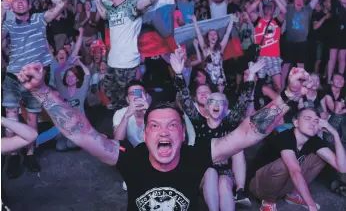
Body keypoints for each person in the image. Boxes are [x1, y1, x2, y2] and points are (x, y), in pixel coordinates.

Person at [16, 61, 313, 211]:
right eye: (155, 126)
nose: (164, 131)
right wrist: (41, 90)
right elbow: (80, 132)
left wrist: (289, 95)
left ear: (183, 134)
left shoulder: (197, 155)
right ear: (145, 134)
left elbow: (248, 132)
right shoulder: (129, 158)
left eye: (172, 125)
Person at [171, 52, 264, 210]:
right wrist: (179, 74)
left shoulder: (229, 123)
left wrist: (251, 76)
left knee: (224, 185)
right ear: (206, 107)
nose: (216, 105)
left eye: (220, 102)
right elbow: (186, 100)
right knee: (211, 173)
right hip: (202, 171)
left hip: (224, 171)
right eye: (211, 101)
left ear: (225, 107)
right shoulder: (198, 121)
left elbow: (242, 102)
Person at [1, 0, 65, 177]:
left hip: (35, 77)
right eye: (16, 0)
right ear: (11, 6)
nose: (19, 2)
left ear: (29, 4)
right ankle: (12, 155)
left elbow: (60, 4)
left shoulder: (39, 19)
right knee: (11, 116)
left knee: (32, 117)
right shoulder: (8, 23)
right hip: (13, 77)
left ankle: (29, 154)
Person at [89, 0, 170, 111]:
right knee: (113, 99)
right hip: (112, 63)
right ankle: (122, 124)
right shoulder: (112, 8)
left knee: (132, 103)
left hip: (128, 65)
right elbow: (102, 14)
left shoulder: (131, 6)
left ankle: (138, 123)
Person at [249, 108, 346, 211]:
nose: (313, 123)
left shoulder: (314, 140)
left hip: (281, 186)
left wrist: (335, 134)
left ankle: (293, 195)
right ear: (296, 122)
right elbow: (295, 172)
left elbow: (342, 168)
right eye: (307, 118)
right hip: (259, 186)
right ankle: (268, 203)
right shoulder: (285, 137)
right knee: (285, 164)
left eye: (316, 120)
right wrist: (312, 206)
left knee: (320, 158)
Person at [282, 0, 333, 87]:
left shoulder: (308, 9)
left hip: (302, 42)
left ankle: (299, 86)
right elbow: (280, 0)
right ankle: (280, 86)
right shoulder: (290, 9)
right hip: (289, 41)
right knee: (286, 64)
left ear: (304, 1)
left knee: (301, 65)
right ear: (294, 1)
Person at [247, 0, 286, 92]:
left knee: (279, 87)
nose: (269, 7)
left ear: (274, 9)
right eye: (267, 6)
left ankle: (281, 107)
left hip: (274, 57)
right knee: (258, 86)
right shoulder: (258, 20)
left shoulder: (277, 21)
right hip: (261, 58)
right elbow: (249, 10)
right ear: (263, 9)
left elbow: (285, 10)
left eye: (271, 6)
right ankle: (257, 105)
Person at [191, 14, 235, 93]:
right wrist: (194, 21)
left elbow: (227, 33)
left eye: (214, 34)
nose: (213, 36)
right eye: (210, 34)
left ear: (217, 36)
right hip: (209, 79)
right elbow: (198, 34)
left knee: (219, 98)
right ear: (207, 37)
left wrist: (231, 20)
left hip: (220, 79)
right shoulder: (205, 49)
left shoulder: (220, 47)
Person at [327, 0, 346, 83]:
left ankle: (340, 78)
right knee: (332, 58)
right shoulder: (336, 6)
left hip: (344, 36)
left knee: (342, 58)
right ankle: (329, 80)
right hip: (334, 34)